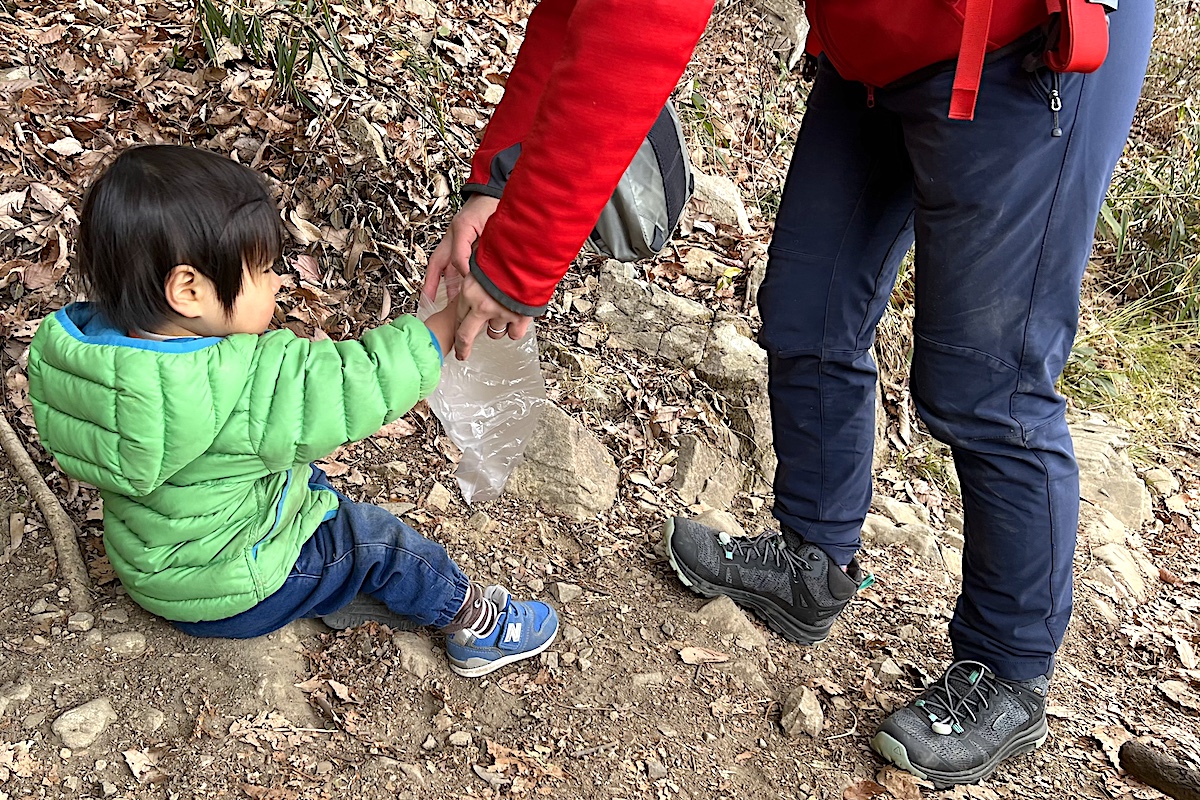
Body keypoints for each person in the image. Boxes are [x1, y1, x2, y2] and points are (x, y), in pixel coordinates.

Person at [423, 0, 1154, 787]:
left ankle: (1009, 671)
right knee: (807, 310)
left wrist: (521, 260)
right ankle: (814, 562)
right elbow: (585, 11)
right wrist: (497, 179)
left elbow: (642, 18)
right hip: (879, 52)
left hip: (1026, 51)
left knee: (989, 382)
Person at [26, 145, 557, 678]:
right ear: (189, 290)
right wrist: (449, 318)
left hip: (154, 566)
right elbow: (360, 381)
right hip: (239, 589)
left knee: (296, 483)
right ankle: (473, 623)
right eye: (261, 269)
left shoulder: (87, 357)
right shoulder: (245, 380)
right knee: (371, 540)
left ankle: (339, 593)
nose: (279, 281)